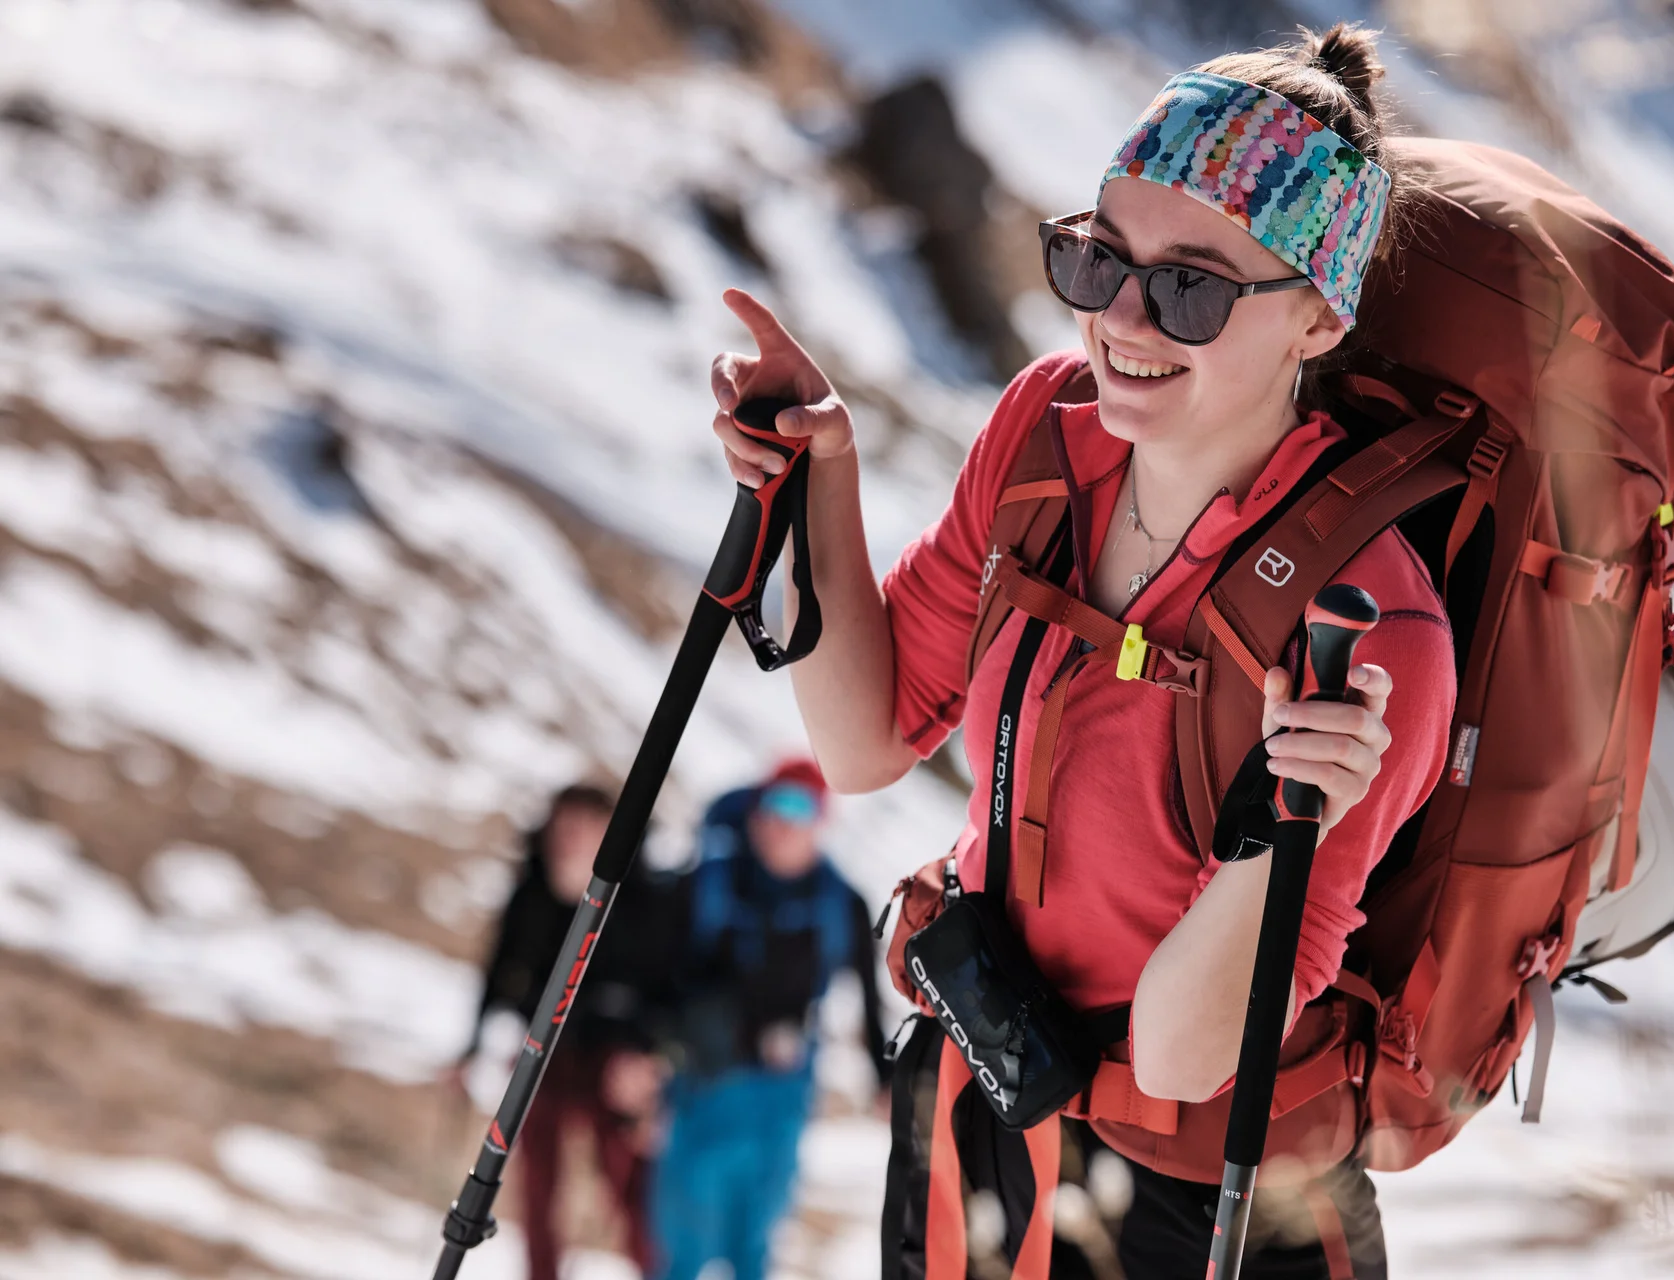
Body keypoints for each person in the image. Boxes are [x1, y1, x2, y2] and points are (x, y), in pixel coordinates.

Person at [705, 24, 1451, 1280]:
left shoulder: (1371, 627)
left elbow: (1177, 1053)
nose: (1124, 317)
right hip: (979, 1108)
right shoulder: (1045, 433)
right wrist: (818, 478)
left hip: (1206, 1203)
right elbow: (867, 737)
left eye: (1193, 288)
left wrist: (1295, 817)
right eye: (1101, 260)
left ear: (1318, 318)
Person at [650, 758, 892, 1280]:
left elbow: (868, 998)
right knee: (682, 1242)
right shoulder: (709, 883)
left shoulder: (842, 902)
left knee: (756, 1241)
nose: (783, 825)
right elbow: (659, 978)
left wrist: (884, 1077)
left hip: (785, 1091)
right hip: (704, 1081)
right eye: (774, 806)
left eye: (800, 808)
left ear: (821, 823)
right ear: (754, 815)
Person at [448, 783, 663, 1280]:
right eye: (563, 827)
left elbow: (660, 985)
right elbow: (498, 971)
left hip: (611, 1060)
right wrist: (471, 1049)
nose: (570, 839)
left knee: (629, 1187)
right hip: (541, 1053)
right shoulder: (530, 892)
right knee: (538, 1184)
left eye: (586, 828)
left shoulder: (639, 899)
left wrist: (647, 1061)